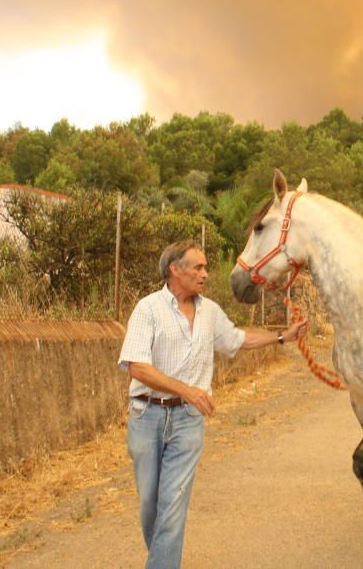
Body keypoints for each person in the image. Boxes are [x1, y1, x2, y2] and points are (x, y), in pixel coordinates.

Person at [118, 239, 308, 569]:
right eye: (199, 267)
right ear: (175, 270)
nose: (206, 274)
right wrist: (188, 390)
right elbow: (137, 366)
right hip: (146, 415)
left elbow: (238, 339)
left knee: (173, 503)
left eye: (206, 267)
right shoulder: (147, 309)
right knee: (151, 502)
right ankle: (162, 558)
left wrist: (282, 337)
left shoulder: (210, 313)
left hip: (188, 421)